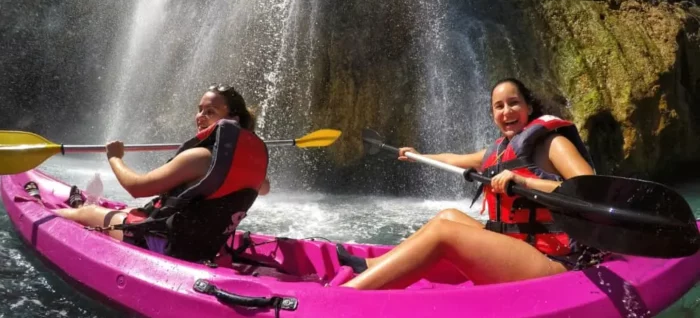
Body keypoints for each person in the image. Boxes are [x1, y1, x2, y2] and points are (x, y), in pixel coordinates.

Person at [336, 78, 605, 289]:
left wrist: (525, 182)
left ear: (529, 108)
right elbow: (455, 159)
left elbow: (592, 194)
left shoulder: (553, 144)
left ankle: (347, 295)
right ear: (493, 114)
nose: (507, 111)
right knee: (448, 215)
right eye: (499, 106)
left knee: (444, 232)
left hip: (555, 260)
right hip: (516, 246)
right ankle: (372, 265)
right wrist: (417, 155)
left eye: (514, 103)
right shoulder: (499, 150)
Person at [50, 84, 271, 263]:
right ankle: (79, 205)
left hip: (168, 247)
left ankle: (45, 214)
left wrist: (114, 156)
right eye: (200, 109)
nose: (200, 117)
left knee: (88, 214)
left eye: (210, 112)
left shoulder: (200, 157)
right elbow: (264, 188)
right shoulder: (255, 168)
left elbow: (136, 187)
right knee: (128, 210)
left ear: (234, 119)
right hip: (203, 249)